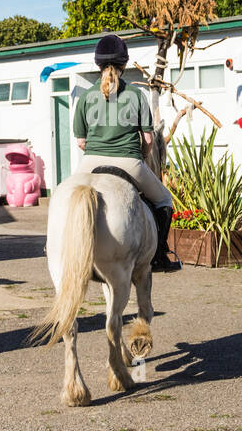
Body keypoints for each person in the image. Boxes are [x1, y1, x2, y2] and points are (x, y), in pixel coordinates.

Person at [72, 34, 180, 272]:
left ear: (98, 64)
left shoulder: (86, 97)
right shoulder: (135, 95)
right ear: (124, 64)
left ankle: (57, 245)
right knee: (164, 200)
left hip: (90, 162)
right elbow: (149, 139)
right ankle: (160, 256)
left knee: (67, 197)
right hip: (129, 161)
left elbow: (81, 142)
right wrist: (141, 154)